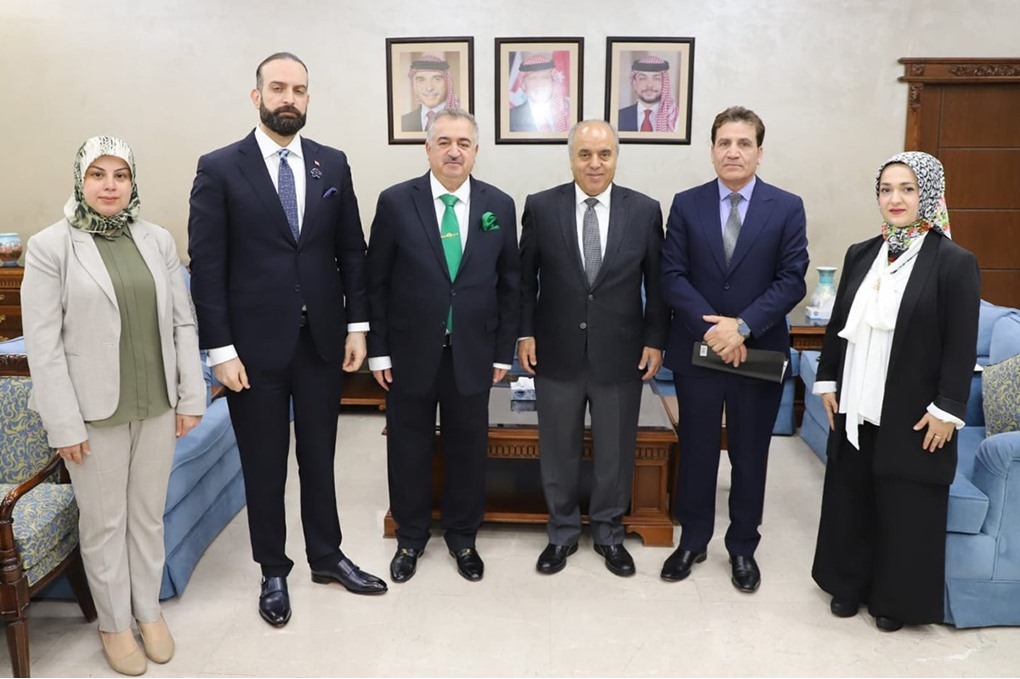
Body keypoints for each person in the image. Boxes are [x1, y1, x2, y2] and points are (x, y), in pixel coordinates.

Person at [187, 52, 387, 629]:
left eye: (299, 90)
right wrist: (220, 350)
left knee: (320, 457)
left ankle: (327, 556)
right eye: (278, 88)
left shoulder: (332, 163)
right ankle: (273, 569)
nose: (289, 99)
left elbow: (352, 251)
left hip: (322, 341)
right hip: (251, 351)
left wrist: (357, 326)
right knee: (265, 464)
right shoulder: (220, 168)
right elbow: (207, 266)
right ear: (257, 96)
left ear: (308, 98)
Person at [21, 136, 205, 676]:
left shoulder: (157, 239)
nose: (109, 186)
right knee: (104, 524)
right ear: (80, 180)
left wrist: (190, 395)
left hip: (156, 404)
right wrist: (63, 423)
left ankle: (148, 612)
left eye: (120, 175)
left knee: (147, 518)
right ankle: (114, 624)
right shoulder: (51, 246)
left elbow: (182, 321)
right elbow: (43, 345)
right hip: (92, 413)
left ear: (132, 182)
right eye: (97, 175)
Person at [811, 152, 980, 632]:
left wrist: (948, 409)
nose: (895, 199)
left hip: (913, 408)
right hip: (856, 400)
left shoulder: (954, 262)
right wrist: (827, 379)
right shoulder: (861, 253)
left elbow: (961, 344)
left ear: (929, 194)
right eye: (886, 189)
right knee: (851, 494)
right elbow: (839, 324)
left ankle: (895, 600)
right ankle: (848, 584)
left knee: (905, 504)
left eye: (907, 188)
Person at [367, 108, 521, 583]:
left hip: (473, 352)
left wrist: (503, 352)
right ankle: (410, 538)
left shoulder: (499, 205)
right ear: (428, 148)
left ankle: (463, 537)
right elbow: (376, 282)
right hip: (410, 352)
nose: (454, 152)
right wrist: (379, 351)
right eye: (445, 142)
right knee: (408, 448)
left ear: (476, 151)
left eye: (464, 143)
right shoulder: (396, 202)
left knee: (468, 449)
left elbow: (510, 285)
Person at [660, 106, 809, 592]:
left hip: (757, 351)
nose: (733, 152)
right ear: (712, 150)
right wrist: (715, 331)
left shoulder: (786, 207)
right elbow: (672, 276)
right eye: (724, 142)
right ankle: (693, 540)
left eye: (744, 143)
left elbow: (791, 280)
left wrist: (742, 327)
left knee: (750, 454)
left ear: (759, 153)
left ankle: (743, 546)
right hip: (699, 350)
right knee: (697, 450)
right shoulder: (686, 204)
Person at [518, 120, 667, 576]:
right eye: (585, 154)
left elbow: (657, 285)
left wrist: (655, 340)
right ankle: (561, 533)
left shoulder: (644, 210)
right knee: (557, 450)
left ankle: (608, 533)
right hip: (555, 353)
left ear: (616, 157)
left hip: (621, 354)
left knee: (615, 453)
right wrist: (524, 333)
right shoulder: (541, 206)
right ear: (571, 158)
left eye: (604, 154)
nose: (595, 163)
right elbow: (523, 281)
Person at [508, 54, 571, 133]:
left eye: (545, 77)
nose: (539, 83)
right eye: (533, 78)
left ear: (553, 82)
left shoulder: (569, 113)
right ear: (523, 85)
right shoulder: (510, 118)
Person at [617, 56, 679, 133]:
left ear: (664, 83)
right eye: (643, 78)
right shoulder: (618, 117)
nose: (649, 85)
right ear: (634, 84)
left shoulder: (676, 118)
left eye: (656, 78)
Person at [401, 54, 460, 132]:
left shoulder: (461, 121)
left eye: (437, 79)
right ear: (414, 85)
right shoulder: (403, 122)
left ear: (447, 83)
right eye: (421, 80)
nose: (429, 88)